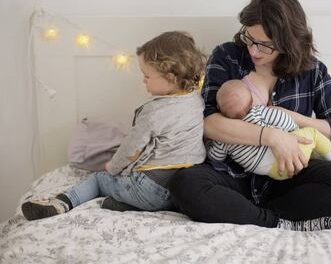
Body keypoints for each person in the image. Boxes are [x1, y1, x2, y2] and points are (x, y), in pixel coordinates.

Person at [169, 0, 331, 231]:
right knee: (185, 183)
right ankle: (277, 221)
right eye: (249, 38)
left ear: (289, 41)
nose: (253, 50)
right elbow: (208, 123)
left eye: (265, 45)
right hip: (233, 176)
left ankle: (250, 213)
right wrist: (271, 137)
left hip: (290, 175)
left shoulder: (312, 71)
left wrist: (291, 119)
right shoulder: (227, 56)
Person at [22, 31, 207, 220]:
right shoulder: (196, 101)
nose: (143, 81)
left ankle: (61, 203)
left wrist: (112, 167)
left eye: (147, 76)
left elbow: (131, 149)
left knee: (98, 179)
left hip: (150, 190)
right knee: (135, 190)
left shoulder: (153, 112)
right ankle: (125, 205)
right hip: (181, 192)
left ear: (171, 77)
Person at [209, 77, 331, 180]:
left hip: (271, 172)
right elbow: (284, 120)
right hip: (292, 157)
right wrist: (292, 132)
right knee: (312, 134)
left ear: (219, 109)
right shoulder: (259, 112)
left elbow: (215, 156)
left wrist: (210, 144)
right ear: (251, 100)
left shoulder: (225, 136)